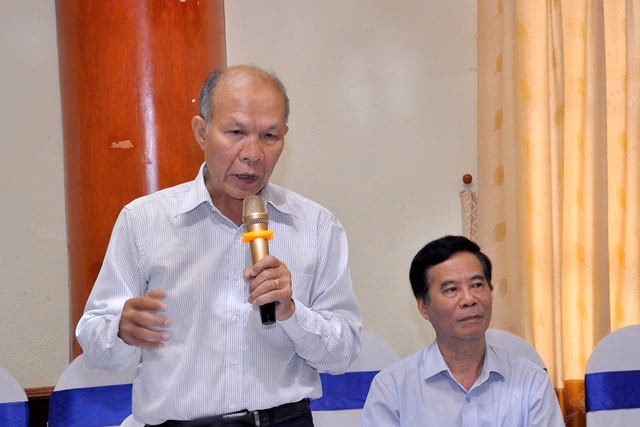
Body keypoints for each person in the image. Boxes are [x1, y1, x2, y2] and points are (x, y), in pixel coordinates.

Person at [76, 65, 362, 426]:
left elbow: (342, 354)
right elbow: (94, 342)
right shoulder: (144, 221)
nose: (253, 153)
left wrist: (292, 312)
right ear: (202, 131)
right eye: (236, 132)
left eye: (269, 136)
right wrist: (120, 329)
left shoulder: (317, 226)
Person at [361, 235, 564, 427]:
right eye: (451, 289)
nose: (469, 299)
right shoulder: (393, 388)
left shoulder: (530, 380)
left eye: (477, 285)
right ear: (423, 306)